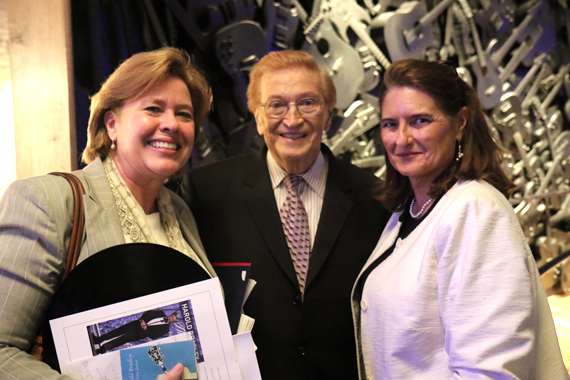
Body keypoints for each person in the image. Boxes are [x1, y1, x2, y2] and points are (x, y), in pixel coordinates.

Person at [0, 47, 215, 380]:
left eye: (184, 114)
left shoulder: (181, 212)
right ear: (112, 123)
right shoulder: (48, 200)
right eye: (154, 108)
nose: (172, 124)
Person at [178, 50, 390, 380]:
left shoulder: (375, 199)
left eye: (307, 103)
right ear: (258, 118)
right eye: (276, 105)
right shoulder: (207, 193)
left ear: (328, 116)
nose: (292, 119)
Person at [351, 59, 569, 379]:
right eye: (390, 124)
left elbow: (491, 371)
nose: (402, 139)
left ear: (461, 122)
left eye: (420, 120)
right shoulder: (409, 210)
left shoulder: (476, 210)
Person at [91, 310, 180, 354]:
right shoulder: (160, 313)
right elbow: (148, 313)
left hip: (138, 334)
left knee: (120, 340)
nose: (171, 319)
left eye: (173, 320)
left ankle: (101, 350)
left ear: (174, 322)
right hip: (135, 324)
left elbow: (154, 336)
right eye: (172, 317)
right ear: (171, 314)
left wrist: (146, 329)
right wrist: (143, 320)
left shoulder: (165, 329)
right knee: (116, 332)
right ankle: (98, 339)